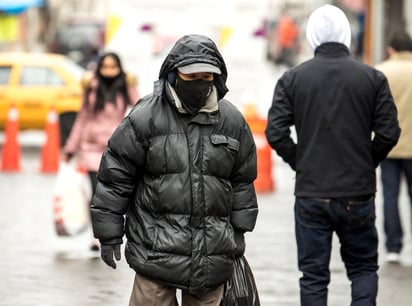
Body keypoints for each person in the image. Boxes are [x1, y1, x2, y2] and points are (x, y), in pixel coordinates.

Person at [90, 34, 259, 306]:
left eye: (206, 76)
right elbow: (115, 177)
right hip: (155, 254)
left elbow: (242, 179)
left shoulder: (232, 121)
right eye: (191, 76)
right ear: (172, 74)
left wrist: (240, 231)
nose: (199, 83)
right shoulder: (144, 118)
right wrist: (109, 233)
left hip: (211, 257)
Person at [265, 4, 400, 306]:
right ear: (345, 35)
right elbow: (389, 131)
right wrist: (367, 162)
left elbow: (275, 132)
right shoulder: (372, 78)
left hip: (312, 191)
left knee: (313, 277)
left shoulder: (293, 78)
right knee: (363, 269)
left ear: (311, 36)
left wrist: (300, 161)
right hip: (357, 192)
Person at [62, 52, 139, 251]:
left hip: (114, 148)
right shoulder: (92, 88)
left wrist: (130, 85)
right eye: (105, 67)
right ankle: (96, 234)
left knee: (112, 194)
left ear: (119, 68)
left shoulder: (124, 87)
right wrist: (70, 147)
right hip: (90, 149)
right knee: (96, 194)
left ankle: (110, 230)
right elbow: (82, 118)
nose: (109, 71)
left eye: (113, 67)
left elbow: (140, 109)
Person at [375, 31, 412, 264]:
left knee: (390, 195)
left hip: (388, 146)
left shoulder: (381, 72)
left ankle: (393, 246)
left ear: (391, 49)